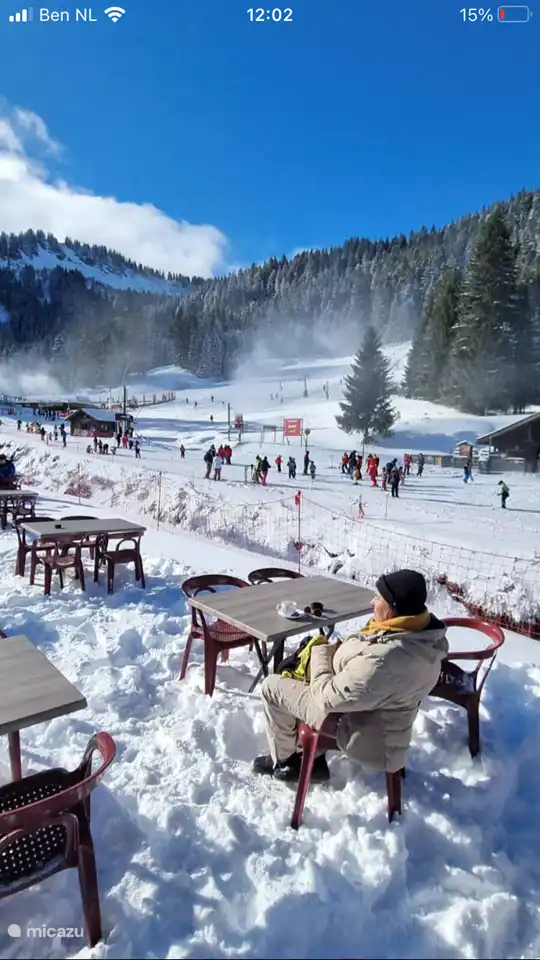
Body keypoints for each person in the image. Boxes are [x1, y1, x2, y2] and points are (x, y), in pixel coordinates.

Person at [253, 570, 448, 782]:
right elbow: (367, 665)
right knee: (300, 674)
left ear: (394, 609)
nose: (373, 602)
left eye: (380, 598)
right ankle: (310, 754)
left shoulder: (385, 660)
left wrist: (321, 653)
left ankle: (287, 763)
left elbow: (325, 698)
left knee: (272, 686)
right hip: (374, 713)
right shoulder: (419, 635)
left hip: (355, 728)